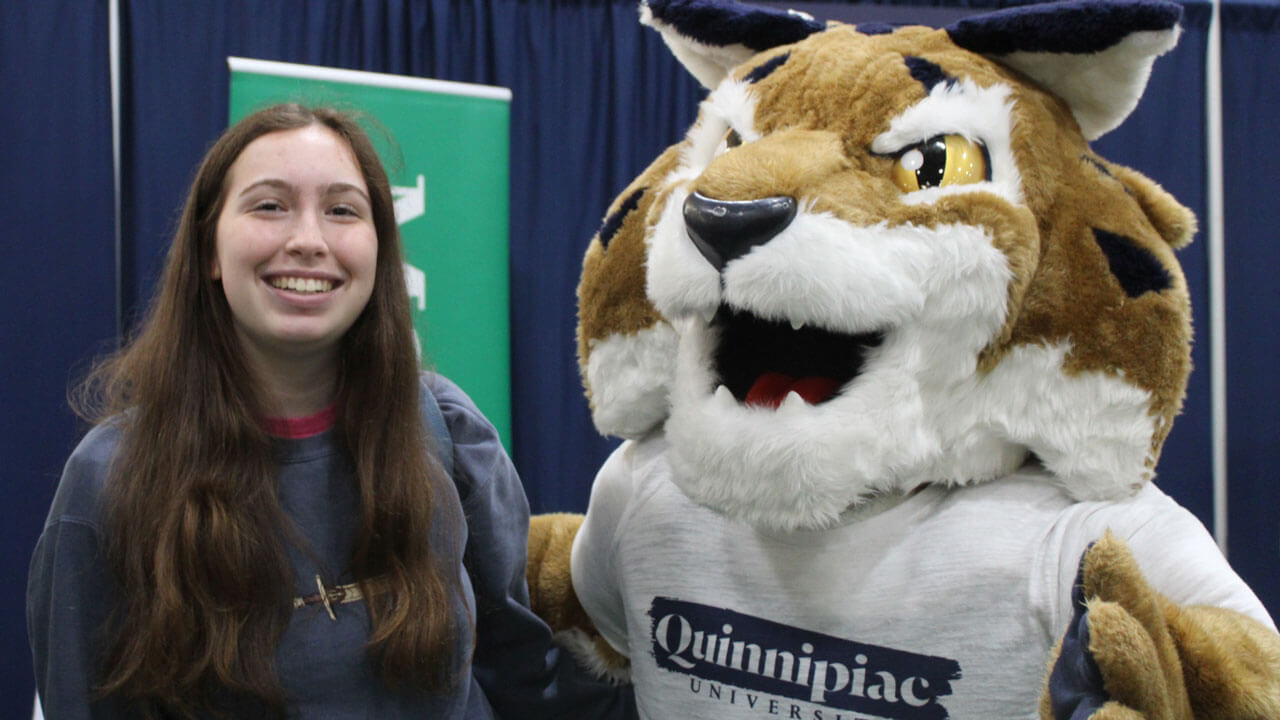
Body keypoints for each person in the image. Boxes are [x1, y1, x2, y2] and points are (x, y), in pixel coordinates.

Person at [28, 103, 634, 719]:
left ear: (378, 252)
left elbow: (521, 676)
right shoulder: (110, 481)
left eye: (342, 210)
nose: (308, 241)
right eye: (269, 205)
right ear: (210, 251)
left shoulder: (450, 433)